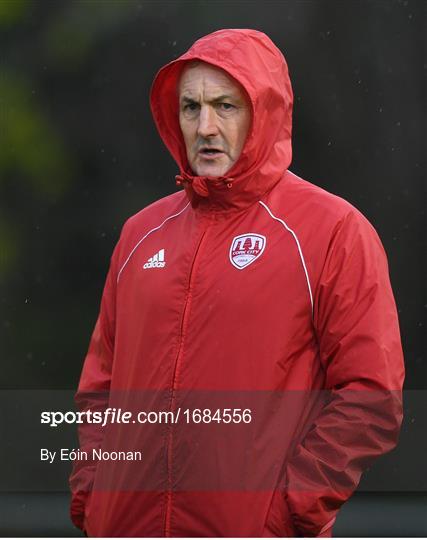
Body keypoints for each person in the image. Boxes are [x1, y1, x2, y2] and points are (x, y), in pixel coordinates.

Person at [69, 29, 405, 537]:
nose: (205, 126)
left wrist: (287, 511)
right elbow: (101, 388)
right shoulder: (140, 234)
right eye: (190, 107)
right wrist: (92, 498)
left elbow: (371, 394)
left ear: (263, 111)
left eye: (225, 105)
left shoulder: (332, 231)